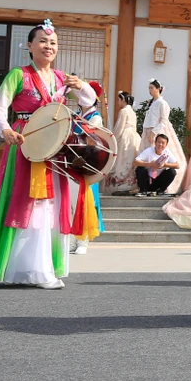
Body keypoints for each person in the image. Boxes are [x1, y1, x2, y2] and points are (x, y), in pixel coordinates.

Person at [0, 20, 97, 288]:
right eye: (42, 41)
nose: (48, 46)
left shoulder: (62, 78)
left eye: (53, 42)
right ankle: (27, 269)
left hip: (53, 146)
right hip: (25, 142)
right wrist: (5, 129)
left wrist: (81, 85)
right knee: (26, 200)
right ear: (29, 46)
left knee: (50, 203)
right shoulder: (19, 74)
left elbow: (89, 101)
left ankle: (42, 268)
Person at [71, 81, 108, 255]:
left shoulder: (95, 118)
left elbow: (91, 140)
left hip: (87, 164)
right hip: (72, 161)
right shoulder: (77, 115)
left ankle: (83, 240)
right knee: (71, 202)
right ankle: (72, 238)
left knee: (85, 201)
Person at [139, 79, 186, 195]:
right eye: (149, 88)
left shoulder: (162, 103)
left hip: (158, 131)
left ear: (158, 89)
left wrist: (155, 132)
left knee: (161, 155)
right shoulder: (152, 102)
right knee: (146, 157)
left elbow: (164, 119)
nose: (150, 90)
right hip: (149, 131)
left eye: (152, 88)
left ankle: (161, 184)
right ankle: (146, 183)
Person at [105, 91, 141, 194]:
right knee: (129, 159)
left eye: (119, 99)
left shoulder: (124, 111)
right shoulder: (132, 112)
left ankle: (119, 186)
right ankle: (130, 184)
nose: (118, 102)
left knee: (121, 159)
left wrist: (113, 139)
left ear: (123, 100)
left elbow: (120, 127)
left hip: (125, 136)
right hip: (134, 137)